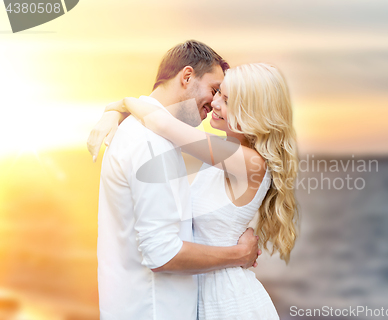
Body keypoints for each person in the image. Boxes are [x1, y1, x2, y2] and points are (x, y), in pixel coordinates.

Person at [89, 63, 299, 319]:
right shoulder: (222, 155)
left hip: (231, 303)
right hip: (205, 298)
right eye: (219, 92)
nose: (215, 103)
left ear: (252, 112)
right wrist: (115, 114)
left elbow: (162, 123)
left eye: (228, 100)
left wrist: (119, 104)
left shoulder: (249, 163)